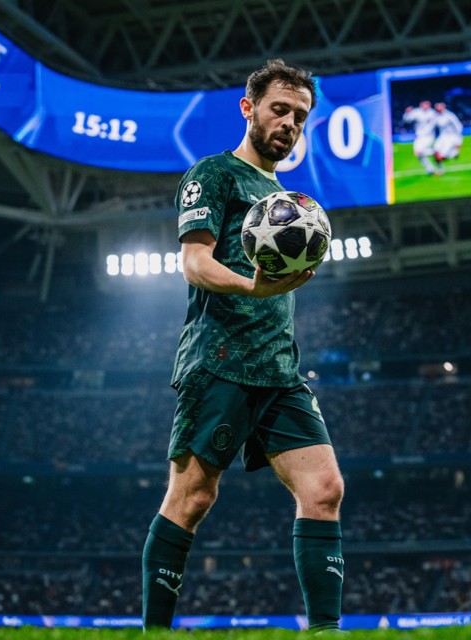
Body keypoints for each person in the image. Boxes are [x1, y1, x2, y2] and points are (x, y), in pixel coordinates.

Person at [141, 58, 345, 634]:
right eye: (280, 109)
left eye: (300, 117)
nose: (289, 123)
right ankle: (155, 632)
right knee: (192, 497)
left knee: (324, 488)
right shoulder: (216, 175)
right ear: (248, 108)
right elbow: (194, 263)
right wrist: (253, 285)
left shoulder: (285, 199)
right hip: (221, 360)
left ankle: (326, 633)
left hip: (279, 369)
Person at [401, 99, 438, 175]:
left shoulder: (433, 113)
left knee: (419, 152)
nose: (426, 105)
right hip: (419, 136)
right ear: (421, 104)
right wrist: (407, 113)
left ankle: (436, 152)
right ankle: (430, 169)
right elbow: (407, 120)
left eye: (427, 104)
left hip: (428, 136)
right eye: (424, 104)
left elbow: (435, 124)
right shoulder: (417, 112)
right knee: (418, 155)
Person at [430, 101, 464, 175]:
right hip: (442, 137)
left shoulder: (449, 115)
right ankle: (441, 169)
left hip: (451, 137)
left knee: (441, 156)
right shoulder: (435, 116)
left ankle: (453, 154)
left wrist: (459, 140)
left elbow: (459, 126)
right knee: (435, 152)